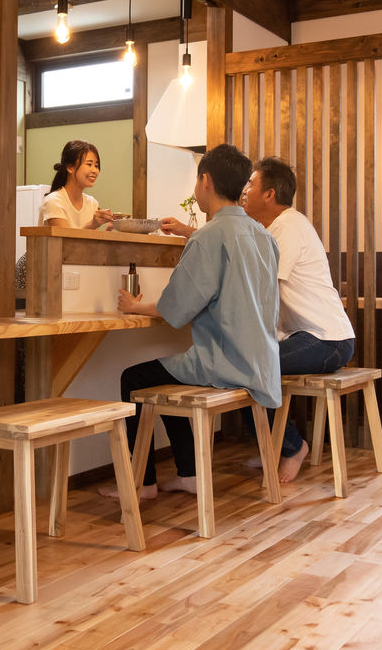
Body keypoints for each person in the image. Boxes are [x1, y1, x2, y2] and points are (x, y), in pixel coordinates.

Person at [111, 145, 281, 498]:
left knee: (134, 378)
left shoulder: (208, 236)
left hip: (224, 364)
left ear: (205, 180)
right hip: (261, 363)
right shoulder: (265, 236)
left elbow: (177, 308)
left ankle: (142, 483)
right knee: (169, 375)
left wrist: (134, 305)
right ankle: (187, 474)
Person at [241, 157, 356, 483]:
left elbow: (269, 290)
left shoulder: (288, 227)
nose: (244, 190)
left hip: (327, 339)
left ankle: (291, 447)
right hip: (310, 337)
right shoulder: (274, 227)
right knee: (243, 364)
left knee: (246, 366)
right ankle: (275, 446)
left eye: (251, 184)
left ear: (269, 194)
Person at [39, 139, 114, 229]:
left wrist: (109, 230)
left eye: (96, 166)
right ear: (70, 167)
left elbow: (90, 243)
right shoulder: (54, 201)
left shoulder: (92, 203)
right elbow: (65, 241)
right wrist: (92, 224)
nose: (95, 171)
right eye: (89, 164)